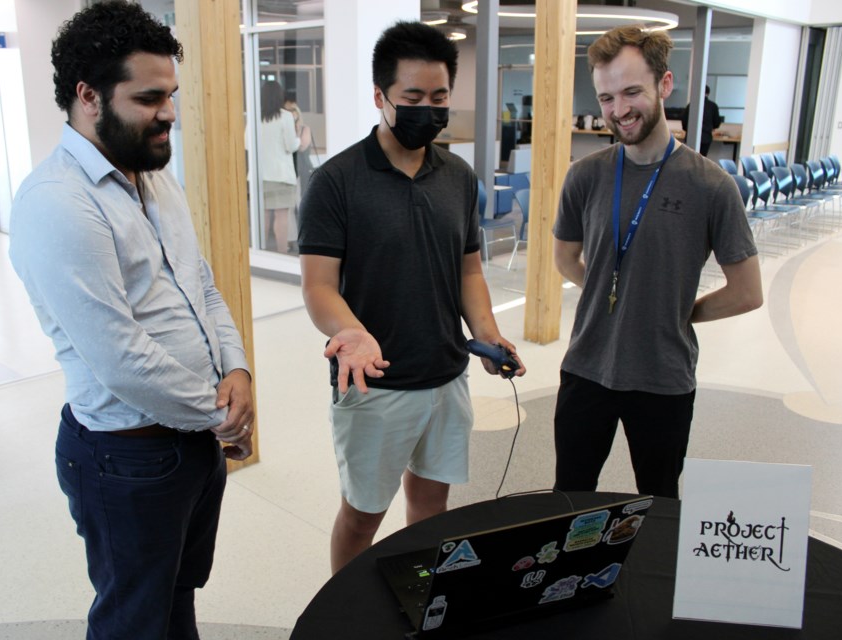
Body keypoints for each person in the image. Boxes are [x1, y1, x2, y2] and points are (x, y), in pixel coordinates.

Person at [8, 2, 254, 638]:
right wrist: (220, 412)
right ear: (89, 96)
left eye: (170, 94)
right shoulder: (57, 203)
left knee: (175, 599)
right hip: (128, 460)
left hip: (191, 441)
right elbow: (119, 356)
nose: (169, 112)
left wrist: (238, 368)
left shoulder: (152, 176)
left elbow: (199, 282)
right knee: (131, 621)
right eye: (149, 98)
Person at [298, 21, 526, 575]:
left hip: (446, 375)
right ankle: (347, 615)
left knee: (431, 506)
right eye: (413, 98)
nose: (429, 109)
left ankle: (421, 598)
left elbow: (469, 269)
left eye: (440, 97)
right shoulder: (337, 181)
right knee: (362, 515)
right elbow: (319, 286)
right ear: (381, 97)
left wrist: (488, 332)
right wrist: (350, 334)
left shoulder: (457, 176)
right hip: (375, 382)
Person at [552, 25, 763, 499]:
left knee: (660, 500)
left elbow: (748, 292)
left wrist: (677, 310)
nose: (619, 110)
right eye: (606, 98)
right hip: (586, 368)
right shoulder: (585, 176)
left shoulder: (712, 187)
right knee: (569, 495)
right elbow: (565, 257)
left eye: (632, 92)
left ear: (665, 85)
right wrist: (612, 292)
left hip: (663, 377)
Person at [259, 80, 309, 253]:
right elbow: (291, 145)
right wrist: (297, 138)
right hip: (281, 175)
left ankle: (262, 251)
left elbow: (247, 143)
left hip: (261, 174)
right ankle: (281, 254)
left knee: (264, 216)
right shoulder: (285, 116)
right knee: (281, 217)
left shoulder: (256, 116)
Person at [680, 84, 723, 156]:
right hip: (706, 137)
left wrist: (686, 129)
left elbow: (684, 120)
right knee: (702, 159)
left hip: (691, 136)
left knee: (690, 158)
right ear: (708, 93)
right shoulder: (713, 106)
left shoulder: (691, 105)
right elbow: (717, 122)